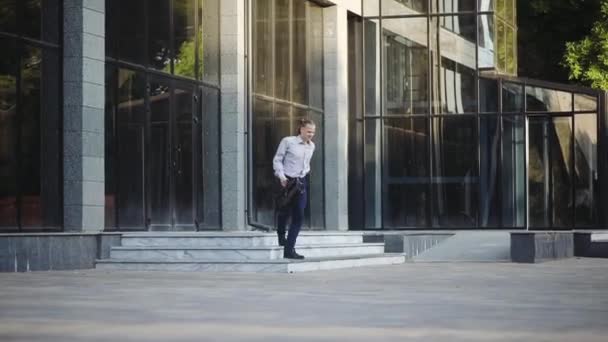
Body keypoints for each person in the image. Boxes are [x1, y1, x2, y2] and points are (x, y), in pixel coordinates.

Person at [272, 118, 316, 259]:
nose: (311, 134)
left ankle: (289, 250)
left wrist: (304, 174)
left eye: (313, 132)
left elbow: (306, 164)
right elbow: (277, 160)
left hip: (301, 183)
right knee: (284, 212)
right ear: (301, 129)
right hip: (286, 181)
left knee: (298, 216)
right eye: (309, 131)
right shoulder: (288, 141)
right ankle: (280, 235)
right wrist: (281, 177)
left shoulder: (311, 146)